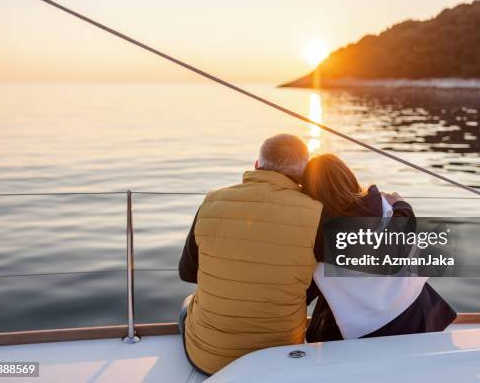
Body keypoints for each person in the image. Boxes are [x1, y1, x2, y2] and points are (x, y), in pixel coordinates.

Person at [178, 134, 323, 375]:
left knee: (187, 303)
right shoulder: (317, 212)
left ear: (257, 165)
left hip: (209, 358)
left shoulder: (211, 201)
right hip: (281, 354)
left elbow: (187, 273)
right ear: (305, 172)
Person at [301, 153, 456, 342]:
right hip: (418, 306)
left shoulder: (316, 232)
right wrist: (402, 207)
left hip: (376, 327)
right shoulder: (383, 204)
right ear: (348, 177)